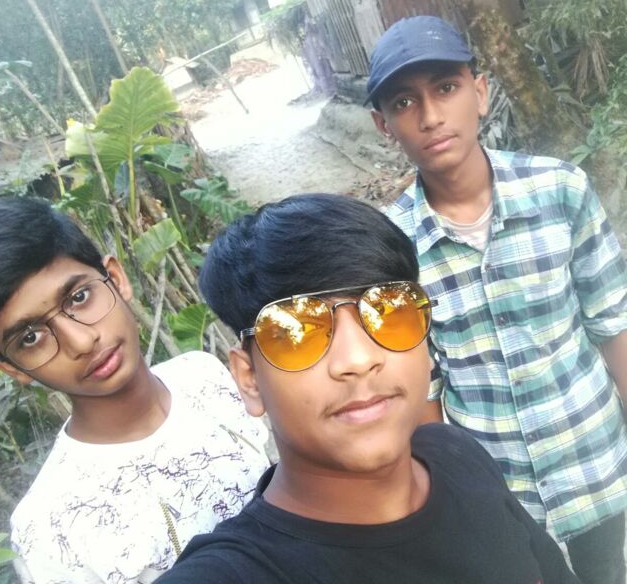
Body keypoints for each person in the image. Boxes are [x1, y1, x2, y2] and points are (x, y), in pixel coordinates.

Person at [156, 193, 580, 583]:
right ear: (249, 379)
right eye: (297, 330)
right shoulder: (234, 574)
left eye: (388, 311)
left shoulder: (457, 453)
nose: (358, 359)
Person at [367, 15, 627, 584]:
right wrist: (445, 500)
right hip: (497, 491)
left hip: (594, 461)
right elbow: (424, 389)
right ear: (383, 124)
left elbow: (614, 323)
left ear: (480, 93)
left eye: (446, 87)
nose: (431, 116)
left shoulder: (561, 191)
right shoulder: (391, 250)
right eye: (405, 102)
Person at [0, 197, 269, 584]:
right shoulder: (51, 530)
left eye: (79, 297)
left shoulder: (204, 376)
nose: (81, 341)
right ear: (8, 365)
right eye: (31, 337)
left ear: (117, 279)